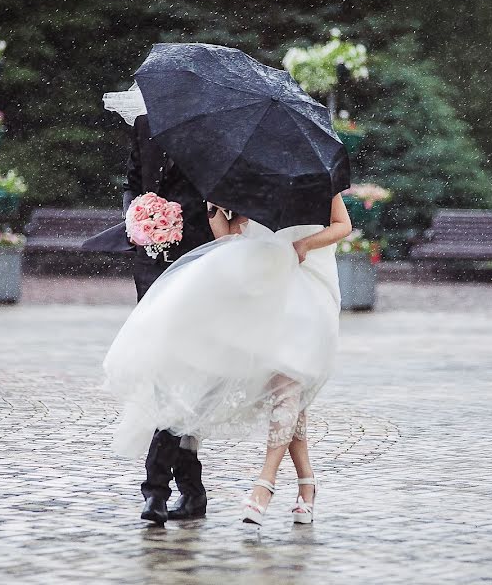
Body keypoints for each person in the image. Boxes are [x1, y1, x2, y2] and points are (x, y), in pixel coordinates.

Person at [104, 193, 351, 526]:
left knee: (289, 384)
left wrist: (306, 243)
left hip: (308, 284)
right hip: (264, 289)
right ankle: (307, 485)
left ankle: (265, 485)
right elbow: (231, 239)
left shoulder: (316, 172)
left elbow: (342, 225)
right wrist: (214, 211)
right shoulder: (252, 176)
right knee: (290, 394)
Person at [87, 113, 214, 524]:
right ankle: (191, 492)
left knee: (178, 376)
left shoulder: (217, 135)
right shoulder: (144, 125)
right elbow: (131, 182)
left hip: (197, 263)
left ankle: (156, 490)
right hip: (149, 265)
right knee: (167, 374)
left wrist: (183, 220)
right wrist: (137, 217)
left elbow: (223, 199)